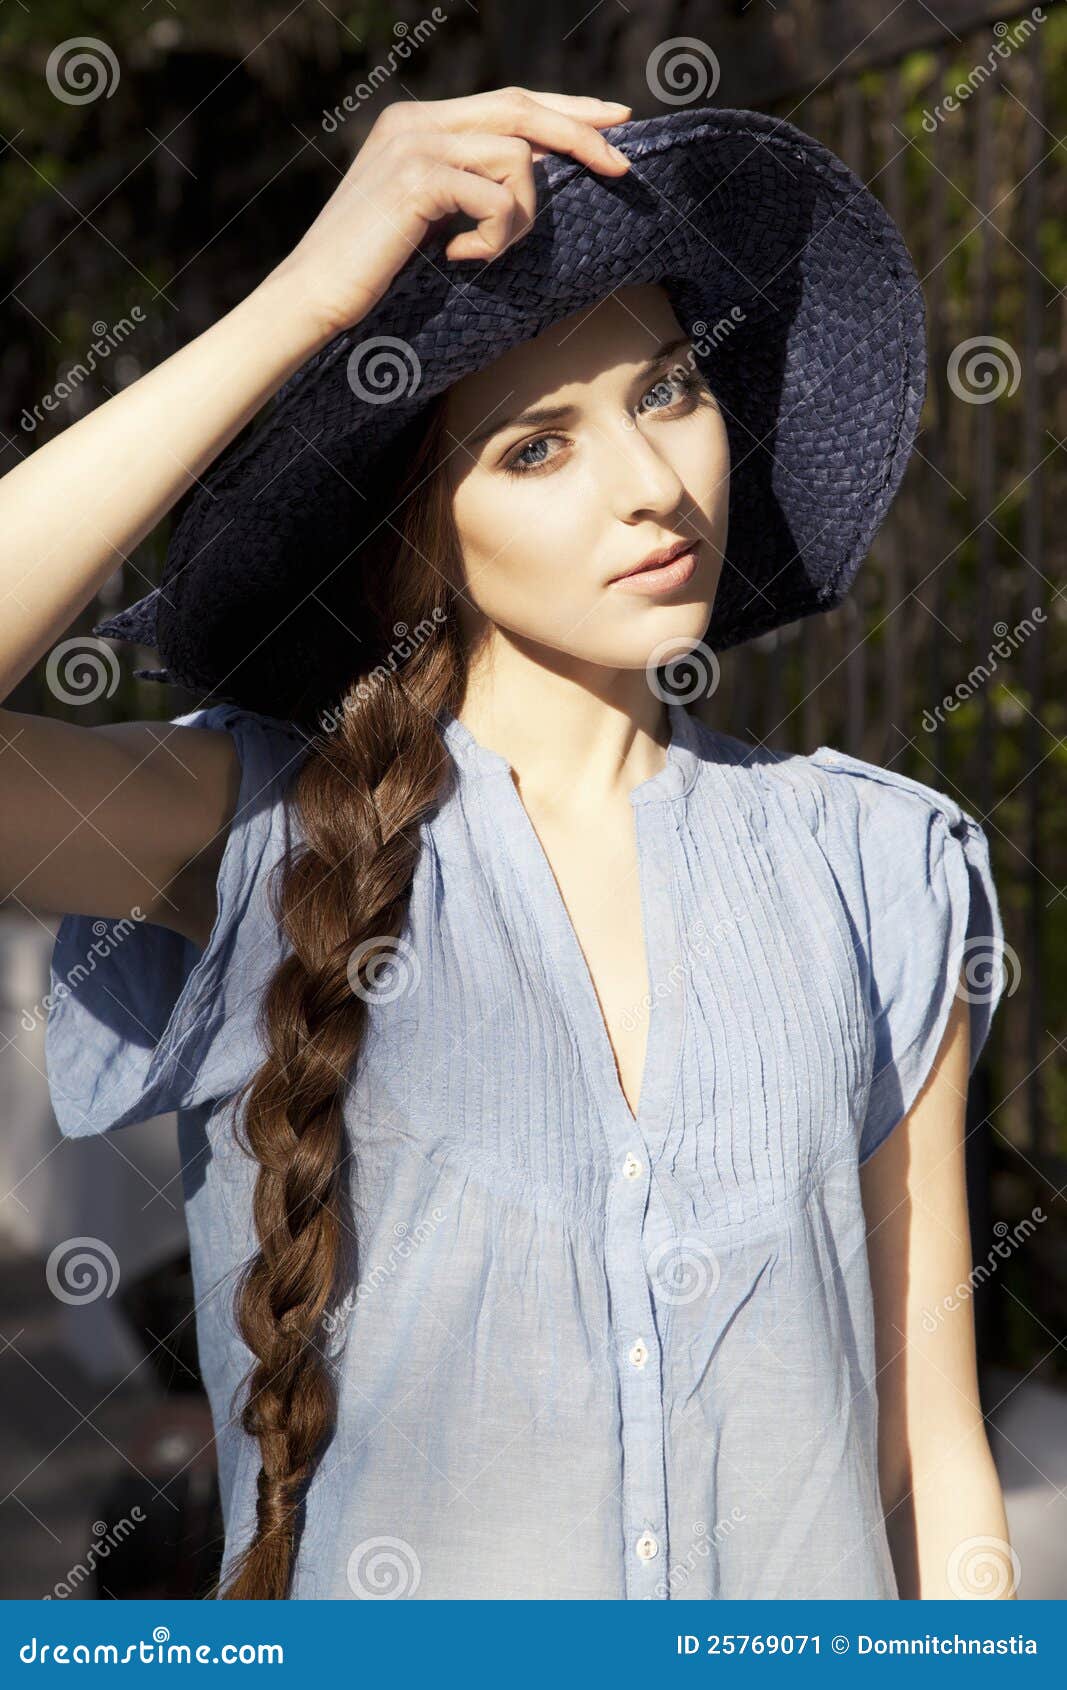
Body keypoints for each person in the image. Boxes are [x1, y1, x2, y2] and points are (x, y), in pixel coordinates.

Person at [0, 88, 1013, 1602]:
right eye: (538, 448)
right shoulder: (252, 833)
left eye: (669, 390)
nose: (655, 484)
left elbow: (932, 1452)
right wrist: (304, 307)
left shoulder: (883, 864)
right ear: (412, 534)